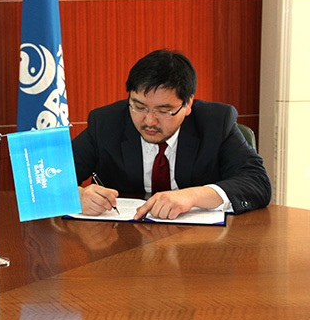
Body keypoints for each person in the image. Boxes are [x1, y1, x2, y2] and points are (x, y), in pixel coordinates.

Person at [72, 49, 271, 220]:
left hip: (198, 243)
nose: (150, 121)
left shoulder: (215, 123)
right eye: (139, 107)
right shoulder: (105, 123)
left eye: (164, 110)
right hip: (121, 239)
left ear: (188, 104)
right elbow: (54, 176)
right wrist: (76, 196)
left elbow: (257, 182)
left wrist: (193, 196)